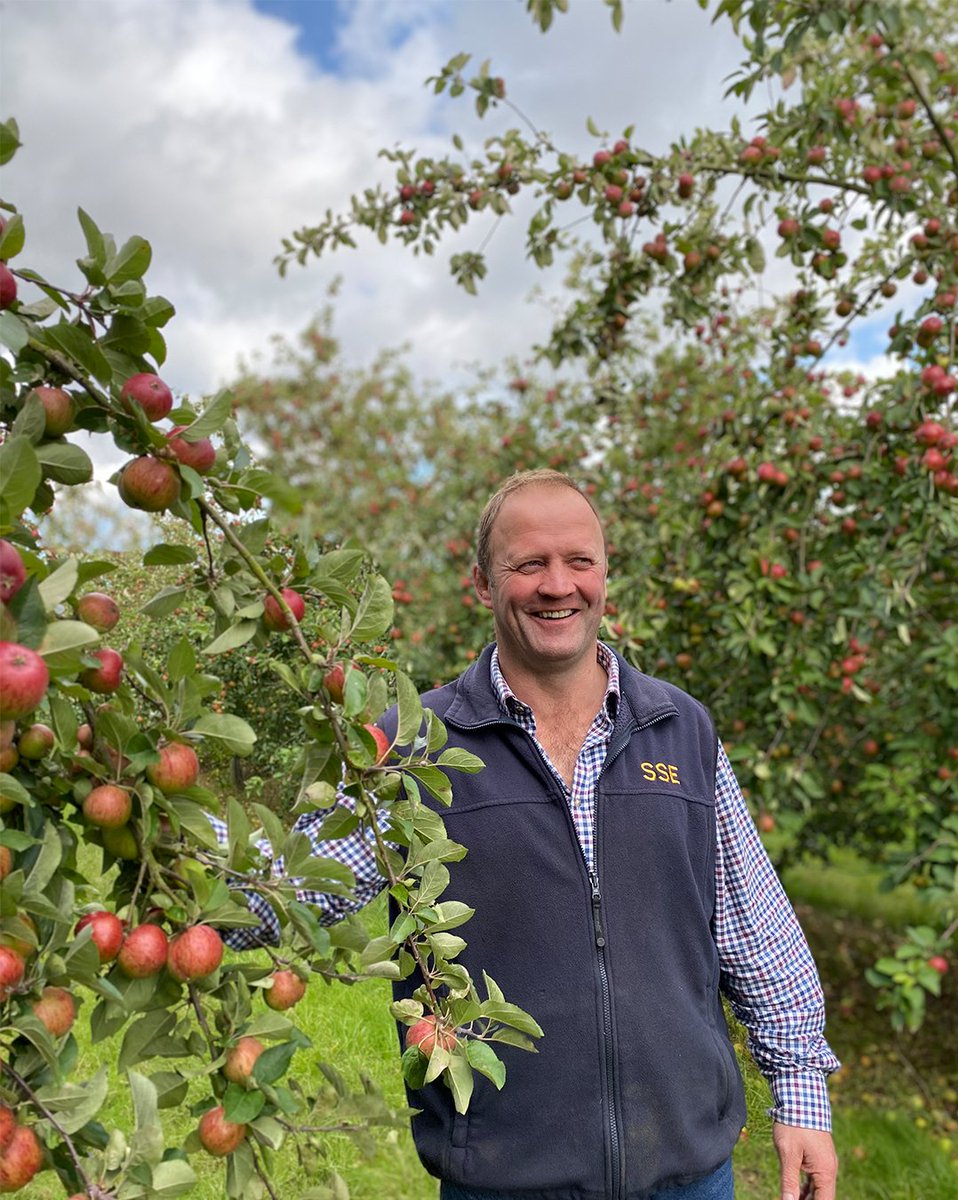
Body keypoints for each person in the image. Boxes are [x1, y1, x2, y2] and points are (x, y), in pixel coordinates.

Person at [216, 469, 840, 1200]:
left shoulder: (681, 728)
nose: (557, 585)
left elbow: (754, 928)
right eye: (529, 564)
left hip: (687, 1170)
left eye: (579, 561)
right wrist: (174, 858)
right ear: (481, 583)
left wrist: (800, 1094)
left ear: (605, 574)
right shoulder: (415, 745)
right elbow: (285, 890)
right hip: (505, 1178)